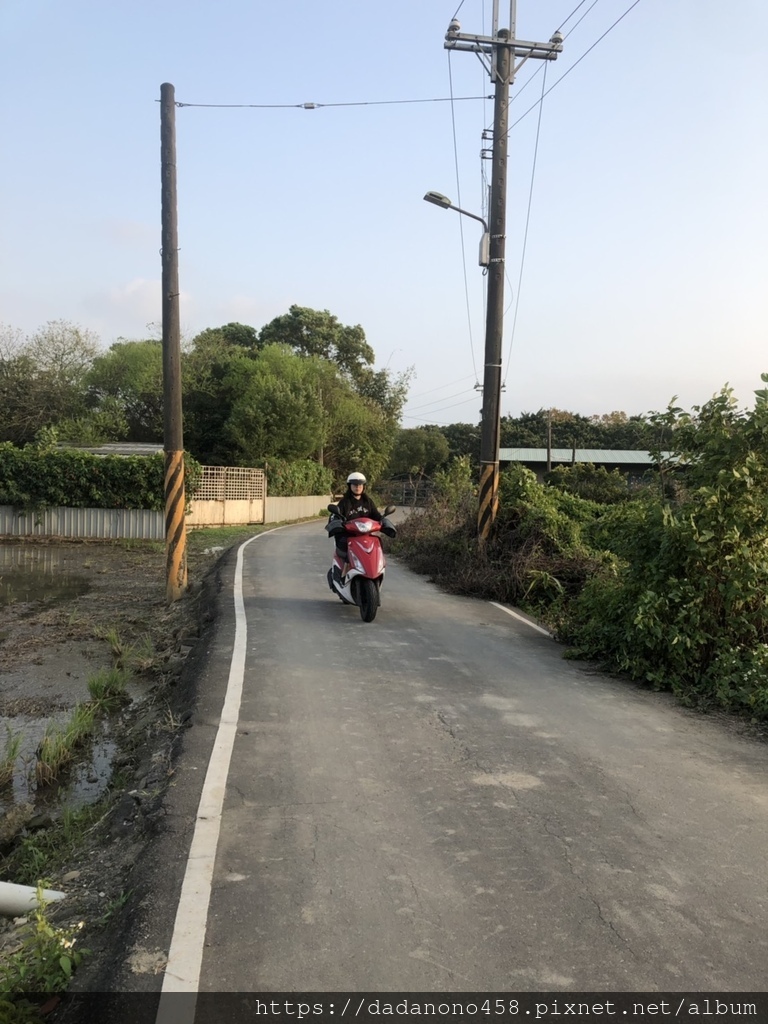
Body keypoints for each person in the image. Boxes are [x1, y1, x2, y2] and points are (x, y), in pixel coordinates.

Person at [327, 472, 384, 569]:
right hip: (349, 534)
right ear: (350, 486)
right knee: (344, 547)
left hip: (366, 535)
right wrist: (337, 522)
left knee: (378, 543)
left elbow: (376, 515)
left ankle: (376, 567)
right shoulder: (344, 502)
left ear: (364, 486)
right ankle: (343, 572)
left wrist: (382, 520)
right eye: (355, 485)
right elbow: (336, 515)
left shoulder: (368, 502)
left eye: (360, 485)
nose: (357, 487)